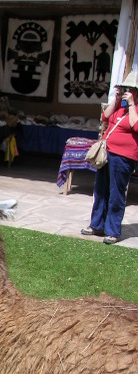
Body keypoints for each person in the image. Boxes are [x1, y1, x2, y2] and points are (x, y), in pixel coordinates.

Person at [81, 70, 138, 244]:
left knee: (116, 194)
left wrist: (131, 104)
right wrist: (117, 97)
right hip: (107, 153)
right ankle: (97, 224)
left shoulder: (133, 108)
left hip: (123, 157)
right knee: (100, 190)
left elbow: (135, 126)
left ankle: (113, 230)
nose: (128, 91)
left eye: (131, 89)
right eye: (125, 88)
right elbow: (105, 117)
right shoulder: (119, 106)